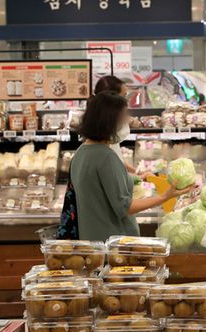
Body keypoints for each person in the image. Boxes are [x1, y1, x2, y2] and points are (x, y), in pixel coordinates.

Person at [71, 92, 193, 241]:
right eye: (123, 117)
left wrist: (137, 178)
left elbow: (102, 184)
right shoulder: (106, 157)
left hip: (92, 240)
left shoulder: (80, 153)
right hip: (114, 243)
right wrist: (164, 197)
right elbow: (125, 207)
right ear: (109, 120)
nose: (127, 121)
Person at [93, 75, 141, 175]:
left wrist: (135, 172)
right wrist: (137, 177)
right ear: (111, 99)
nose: (126, 102)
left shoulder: (108, 133)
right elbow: (111, 173)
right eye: (124, 96)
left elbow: (116, 159)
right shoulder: (101, 145)